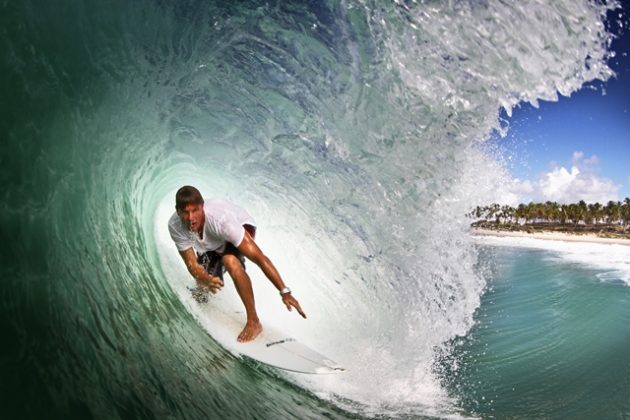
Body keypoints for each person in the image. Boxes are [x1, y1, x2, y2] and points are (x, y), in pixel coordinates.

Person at [168, 185, 306, 342]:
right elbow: (192, 265)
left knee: (230, 261)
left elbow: (260, 258)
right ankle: (204, 297)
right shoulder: (175, 226)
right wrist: (206, 279)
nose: (191, 218)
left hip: (240, 226)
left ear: (202, 207)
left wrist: (284, 291)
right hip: (214, 243)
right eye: (185, 212)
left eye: (195, 211)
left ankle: (254, 322)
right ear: (178, 211)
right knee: (202, 286)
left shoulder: (222, 220)